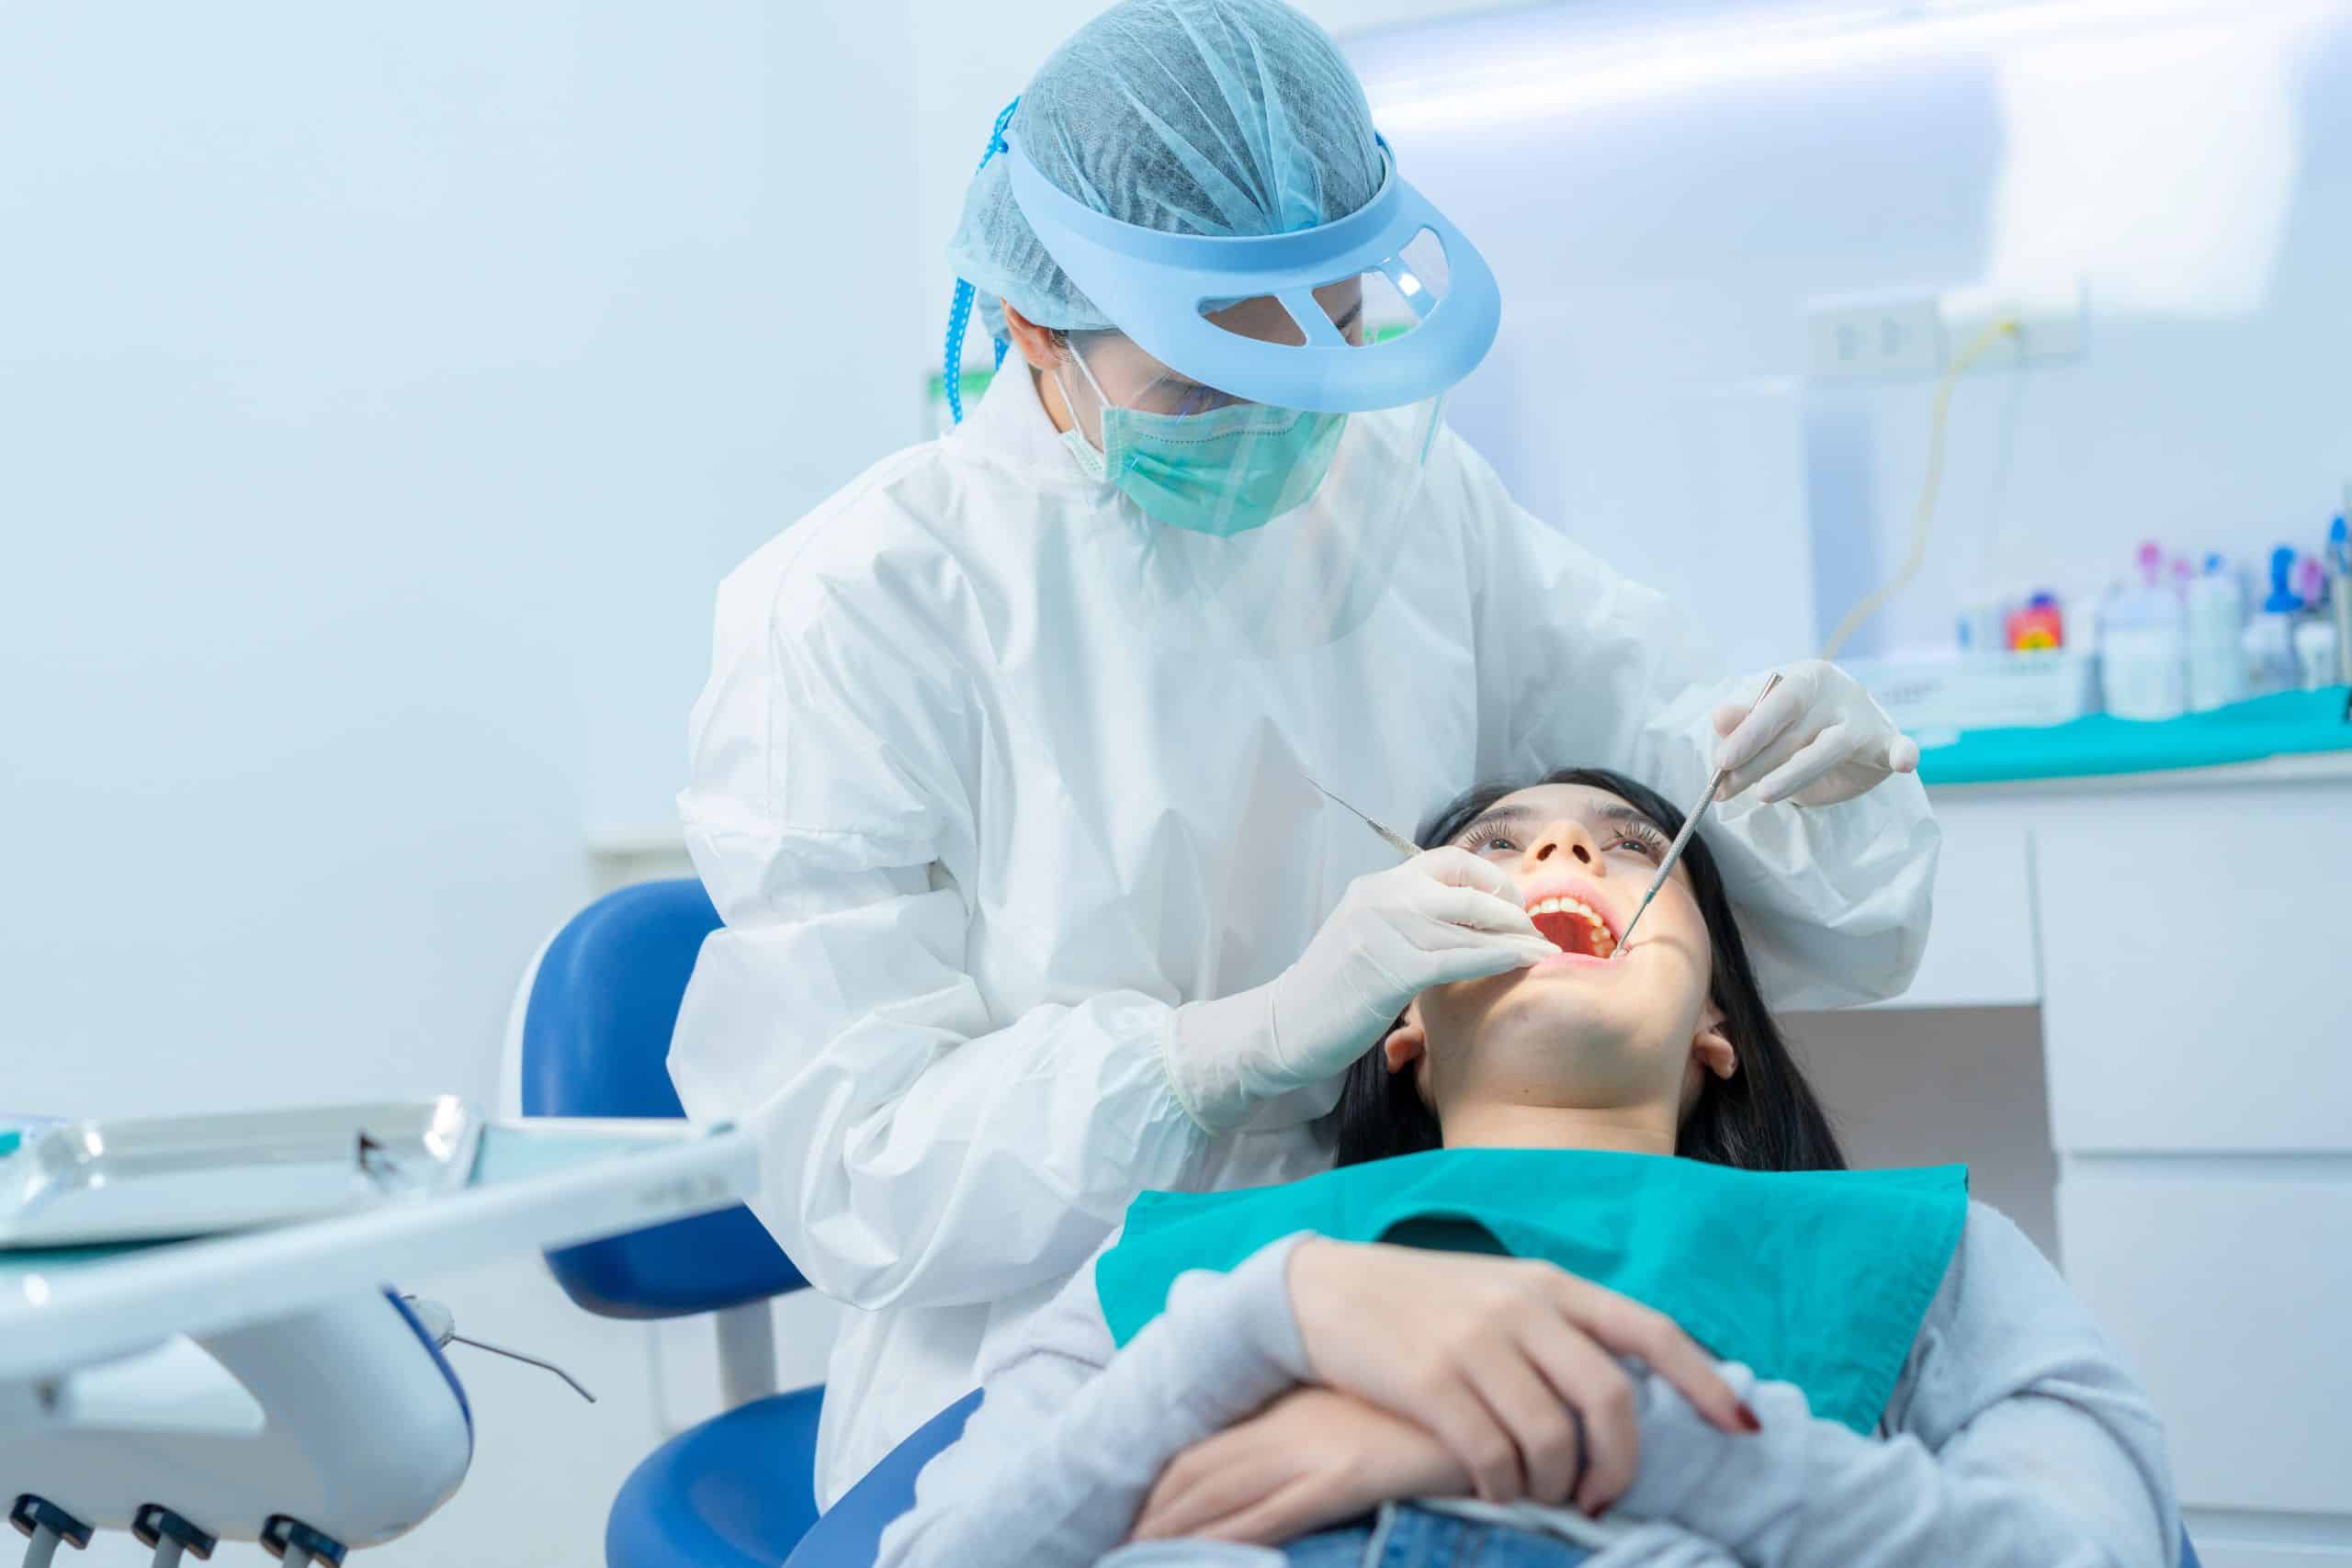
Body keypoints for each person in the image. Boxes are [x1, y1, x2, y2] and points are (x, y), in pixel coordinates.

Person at [666, 0, 1939, 1504]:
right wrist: (1228, 1049)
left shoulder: (1411, 506)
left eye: (1332, 342)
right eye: (1211, 384)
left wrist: (1821, 796)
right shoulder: (859, 609)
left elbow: (1708, 839)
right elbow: (852, 1162)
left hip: (1442, 1293)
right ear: (1034, 328)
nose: (1285, 428)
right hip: (1047, 1357)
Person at [875, 773, 2179, 1568]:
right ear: (1403, 1023)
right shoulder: (1172, 1273)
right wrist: (1267, 1320)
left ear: (1715, 1027)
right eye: (1495, 848)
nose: (1560, 859)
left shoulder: (1925, 1252)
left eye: (1624, 845)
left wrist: (1571, 1430)